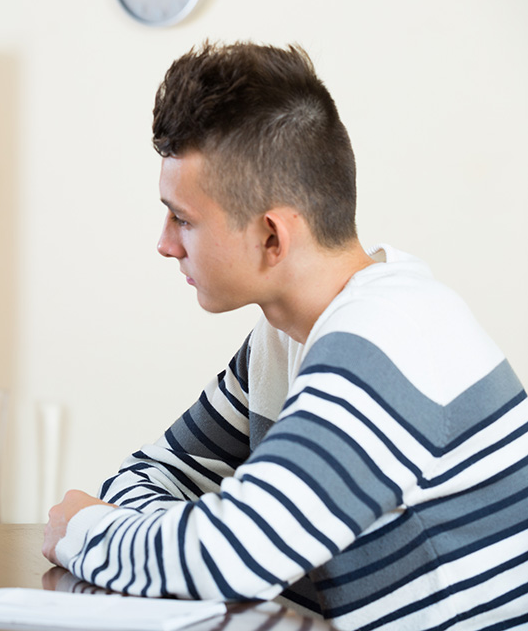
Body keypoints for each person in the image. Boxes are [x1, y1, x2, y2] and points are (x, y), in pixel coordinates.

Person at [42, 40, 528, 630]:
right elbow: (148, 475)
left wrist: (87, 531)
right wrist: (183, 536)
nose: (165, 244)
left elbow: (232, 558)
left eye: (184, 219)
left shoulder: (390, 337)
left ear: (273, 237)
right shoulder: (285, 338)